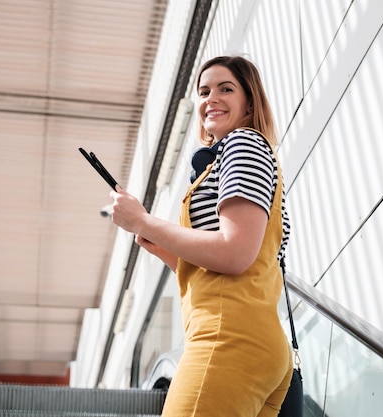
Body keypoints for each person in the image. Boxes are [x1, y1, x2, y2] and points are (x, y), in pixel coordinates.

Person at [109, 55, 292, 417]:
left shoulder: (243, 144)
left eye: (226, 89)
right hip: (252, 341)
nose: (212, 99)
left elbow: (235, 253)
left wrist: (144, 222)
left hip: (228, 339)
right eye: (204, 91)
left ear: (250, 101)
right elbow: (236, 264)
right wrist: (164, 249)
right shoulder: (236, 155)